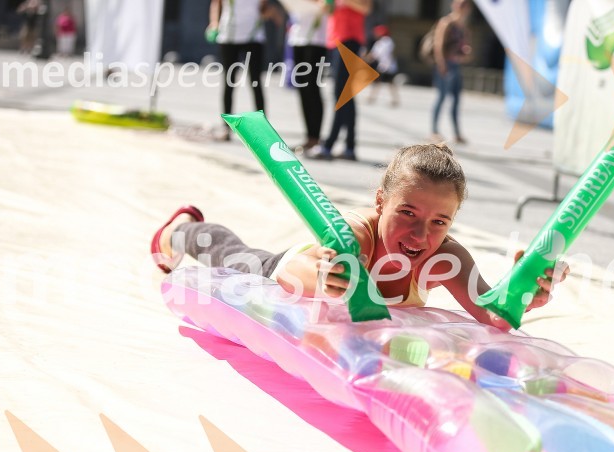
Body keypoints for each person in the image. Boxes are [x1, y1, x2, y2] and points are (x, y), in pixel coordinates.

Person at [150, 144, 567, 330]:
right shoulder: (356, 235)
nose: (422, 234)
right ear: (380, 201)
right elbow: (304, 275)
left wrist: (525, 291)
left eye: (441, 221)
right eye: (407, 212)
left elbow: (491, 314)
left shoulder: (446, 259)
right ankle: (178, 230)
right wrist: (330, 279)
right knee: (232, 254)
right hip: (278, 271)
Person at [308, 0, 372, 161]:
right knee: (346, 95)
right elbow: (328, 9)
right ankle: (350, 147)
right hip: (335, 40)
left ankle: (329, 145)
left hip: (350, 40)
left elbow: (366, 7)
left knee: (341, 94)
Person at [208, 0, 279, 140]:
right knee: (229, 82)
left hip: (253, 36)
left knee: (255, 82)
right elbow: (216, 3)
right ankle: (226, 128)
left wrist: (270, 13)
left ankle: (263, 129)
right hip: (229, 35)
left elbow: (265, 8)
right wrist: (214, 22)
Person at [286, 0, 328, 153]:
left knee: (312, 88)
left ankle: (316, 137)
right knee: (302, 88)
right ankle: (309, 137)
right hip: (298, 37)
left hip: (317, 40)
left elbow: (329, 7)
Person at [431, 0, 473, 144]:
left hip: (456, 65)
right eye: (459, 4)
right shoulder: (446, 22)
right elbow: (438, 44)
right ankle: (434, 131)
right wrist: (442, 64)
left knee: (456, 100)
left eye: (464, 5)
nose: (461, 8)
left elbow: (465, 47)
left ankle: (457, 133)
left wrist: (466, 52)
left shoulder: (463, 27)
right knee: (441, 97)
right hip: (446, 65)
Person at [366, 24, 399, 107]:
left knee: (381, 83)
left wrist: (366, 58)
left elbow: (376, 54)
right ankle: (394, 100)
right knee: (388, 83)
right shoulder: (388, 41)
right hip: (387, 66)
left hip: (386, 66)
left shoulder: (384, 41)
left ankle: (372, 97)